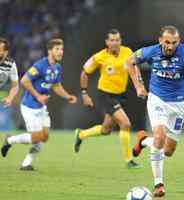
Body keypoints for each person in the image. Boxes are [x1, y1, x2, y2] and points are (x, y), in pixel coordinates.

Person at [126, 25, 184, 197]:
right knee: (160, 137)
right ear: (160, 40)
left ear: (179, 41)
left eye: (174, 43)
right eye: (167, 42)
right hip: (157, 99)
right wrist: (139, 85)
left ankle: (143, 140)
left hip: (178, 105)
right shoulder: (151, 51)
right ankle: (158, 184)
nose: (170, 46)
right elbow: (130, 62)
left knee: (168, 150)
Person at [1, 38, 77, 170]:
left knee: (45, 137)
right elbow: (24, 80)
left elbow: (56, 86)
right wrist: (38, 96)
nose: (60, 52)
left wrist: (67, 96)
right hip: (30, 107)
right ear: (49, 51)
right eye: (57, 49)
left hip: (41, 107)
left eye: (62, 49)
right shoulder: (41, 65)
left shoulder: (57, 67)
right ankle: (10, 140)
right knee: (37, 137)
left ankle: (26, 164)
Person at [74, 29, 141, 169]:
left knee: (106, 130)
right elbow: (84, 73)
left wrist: (139, 84)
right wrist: (84, 93)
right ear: (107, 42)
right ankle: (129, 161)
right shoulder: (99, 57)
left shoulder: (127, 52)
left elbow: (134, 66)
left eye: (117, 40)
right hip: (105, 95)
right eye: (112, 40)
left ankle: (81, 134)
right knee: (125, 124)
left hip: (120, 95)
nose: (115, 43)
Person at [0, 37, 19, 108]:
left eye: (0, 50)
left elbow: (15, 86)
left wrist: (10, 98)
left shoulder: (10, 64)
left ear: (6, 52)